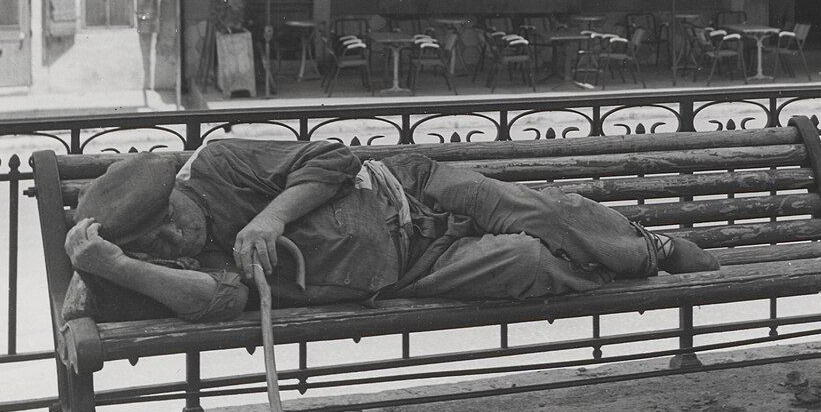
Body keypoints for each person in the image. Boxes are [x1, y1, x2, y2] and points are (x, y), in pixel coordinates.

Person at [63, 139, 719, 324]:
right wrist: (118, 267)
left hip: (414, 186)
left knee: (541, 217)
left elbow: (332, 159)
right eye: (159, 248)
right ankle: (601, 247)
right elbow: (222, 300)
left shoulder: (222, 164)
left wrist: (271, 215)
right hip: (412, 269)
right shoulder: (171, 261)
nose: (177, 243)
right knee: (531, 263)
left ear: (176, 192)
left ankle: (645, 250)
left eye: (173, 225)